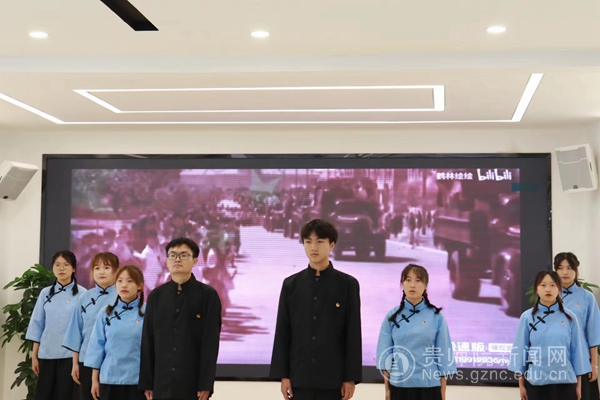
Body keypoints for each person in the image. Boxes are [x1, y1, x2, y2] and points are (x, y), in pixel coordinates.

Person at [270, 219, 362, 400]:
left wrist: (350, 377)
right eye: (308, 241)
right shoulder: (291, 285)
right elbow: (283, 331)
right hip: (299, 377)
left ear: (332, 245)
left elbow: (352, 333)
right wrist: (284, 375)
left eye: (320, 241)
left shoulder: (347, 285)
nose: (313, 247)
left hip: (334, 379)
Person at [139, 237, 222, 400]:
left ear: (195, 261)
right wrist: (147, 382)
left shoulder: (208, 296)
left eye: (184, 255)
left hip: (192, 383)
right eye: (172, 255)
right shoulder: (156, 296)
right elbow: (148, 340)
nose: (177, 259)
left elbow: (210, 343)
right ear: (166, 261)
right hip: (161, 382)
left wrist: (205, 384)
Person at [376, 264, 456, 400]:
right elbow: (385, 357)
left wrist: (443, 393)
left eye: (418, 280)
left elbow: (443, 357)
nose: (412, 285)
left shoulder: (436, 317)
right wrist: (387, 390)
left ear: (425, 285)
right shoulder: (392, 316)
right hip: (399, 386)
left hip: (429, 386)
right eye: (408, 280)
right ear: (402, 284)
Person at [509, 270, 590, 400]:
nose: (548, 289)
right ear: (536, 289)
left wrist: (578, 386)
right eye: (543, 285)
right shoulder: (527, 317)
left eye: (553, 285)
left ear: (559, 288)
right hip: (536, 384)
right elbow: (520, 350)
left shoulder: (570, 317)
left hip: (565, 384)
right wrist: (521, 384)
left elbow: (577, 353)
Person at [26, 250, 87, 400]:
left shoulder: (83, 294)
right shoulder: (45, 293)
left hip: (70, 357)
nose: (61, 268)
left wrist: (78, 361)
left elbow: (83, 329)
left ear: (73, 268)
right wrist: (34, 356)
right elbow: (37, 325)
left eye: (66, 264)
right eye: (57, 265)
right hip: (46, 354)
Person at [63, 252, 119, 400]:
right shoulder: (85, 298)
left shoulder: (122, 297)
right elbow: (76, 333)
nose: (101, 272)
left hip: (114, 362)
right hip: (86, 361)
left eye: (106, 267)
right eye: (97, 268)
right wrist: (75, 364)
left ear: (116, 271)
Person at [85, 265, 146, 400]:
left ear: (140, 285)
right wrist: (94, 380)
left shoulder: (148, 312)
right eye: (120, 280)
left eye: (129, 281)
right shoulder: (105, 313)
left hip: (138, 381)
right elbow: (97, 347)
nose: (124, 285)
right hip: (109, 380)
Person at [555, 252, 600, 400]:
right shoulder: (549, 297)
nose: (565, 272)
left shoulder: (587, 297)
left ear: (576, 270)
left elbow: (593, 333)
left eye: (569, 268)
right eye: (560, 268)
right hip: (554, 362)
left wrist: (594, 365)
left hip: (581, 362)